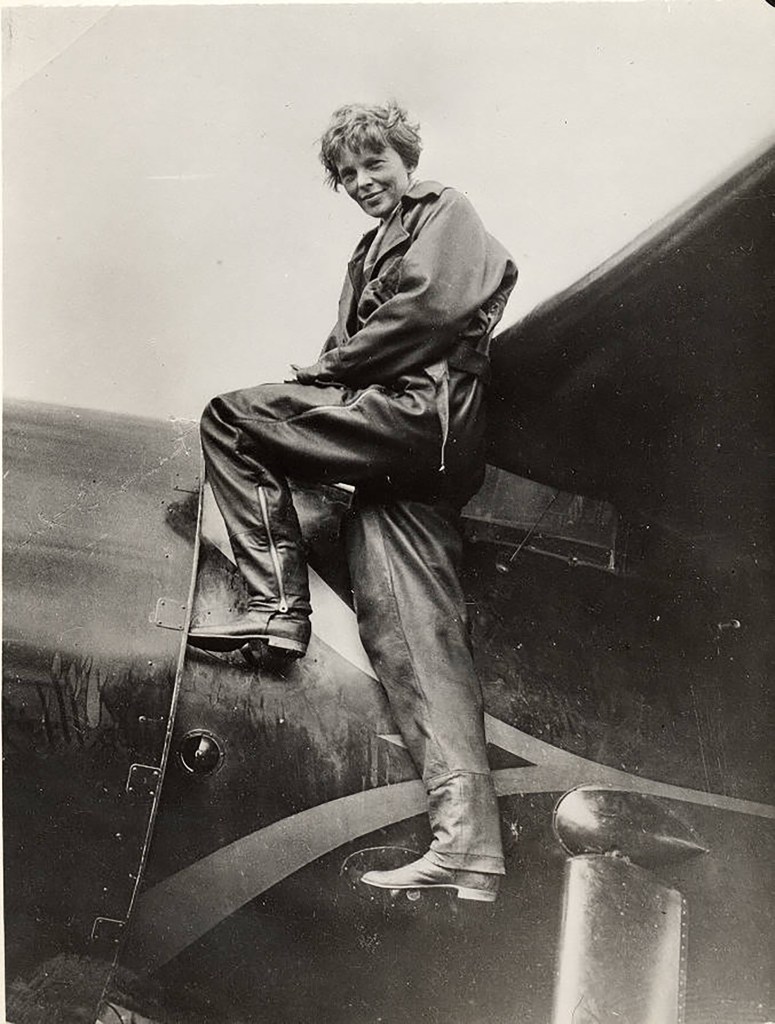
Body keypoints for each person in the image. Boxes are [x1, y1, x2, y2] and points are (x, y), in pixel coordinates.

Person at [189, 101, 517, 901]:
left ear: (404, 157)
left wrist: (328, 372)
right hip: (397, 472)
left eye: (374, 164)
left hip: (417, 419)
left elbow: (430, 308)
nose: (362, 182)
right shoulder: (366, 248)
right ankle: (467, 850)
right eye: (346, 175)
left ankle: (273, 610)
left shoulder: (442, 209)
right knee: (415, 650)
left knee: (232, 417)